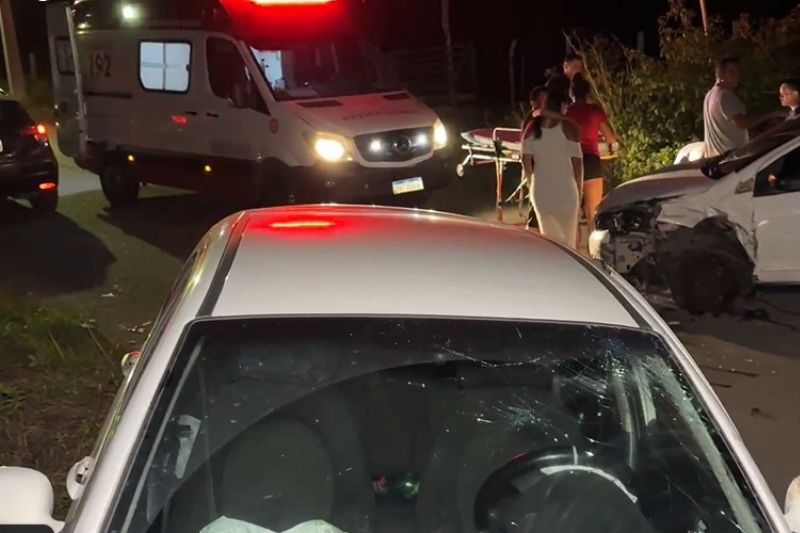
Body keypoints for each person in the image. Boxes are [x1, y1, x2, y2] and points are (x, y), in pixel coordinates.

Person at [522, 89, 584, 249]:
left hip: (541, 191)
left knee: (550, 243)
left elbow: (526, 163)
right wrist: (580, 191)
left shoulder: (530, 128)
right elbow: (578, 165)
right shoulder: (569, 128)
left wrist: (531, 185)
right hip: (566, 190)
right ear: (561, 106)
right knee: (569, 242)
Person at [566, 74, 619, 233]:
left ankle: (571, 245)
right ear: (588, 92)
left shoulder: (566, 112)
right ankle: (591, 246)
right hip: (591, 161)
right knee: (593, 211)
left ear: (571, 93)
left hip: (571, 161)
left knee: (572, 212)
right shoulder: (595, 111)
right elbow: (611, 138)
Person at [703, 57, 784, 157]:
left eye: (737, 72)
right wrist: (771, 114)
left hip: (716, 156)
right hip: (732, 156)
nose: (737, 76)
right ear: (720, 75)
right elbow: (742, 123)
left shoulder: (710, 95)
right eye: (732, 72)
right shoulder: (725, 96)